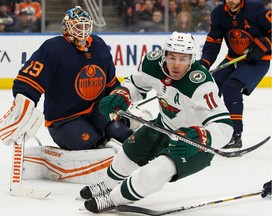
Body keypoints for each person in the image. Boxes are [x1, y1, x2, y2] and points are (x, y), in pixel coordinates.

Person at [78, 31, 234, 213]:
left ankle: (112, 198)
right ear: (164, 55)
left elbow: (224, 126)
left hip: (192, 142)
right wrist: (123, 94)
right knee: (127, 153)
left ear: (191, 59)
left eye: (183, 59)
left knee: (156, 172)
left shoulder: (201, 84)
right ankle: (106, 185)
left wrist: (201, 138)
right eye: (172, 57)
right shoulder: (152, 63)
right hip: (164, 125)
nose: (176, 64)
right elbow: (136, 84)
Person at [0, 6, 133, 151]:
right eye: (78, 26)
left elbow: (111, 83)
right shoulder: (53, 48)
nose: (82, 31)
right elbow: (30, 78)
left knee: (123, 134)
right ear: (66, 27)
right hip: (64, 118)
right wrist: (24, 99)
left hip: (97, 111)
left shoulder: (99, 46)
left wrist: (119, 98)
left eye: (86, 26)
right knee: (91, 147)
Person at [200, 0, 271, 149]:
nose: (231, 1)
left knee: (231, 87)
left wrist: (263, 44)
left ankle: (235, 135)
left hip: (257, 61)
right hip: (233, 58)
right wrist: (204, 64)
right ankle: (208, 128)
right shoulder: (218, 13)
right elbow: (213, 41)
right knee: (209, 86)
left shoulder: (256, 9)